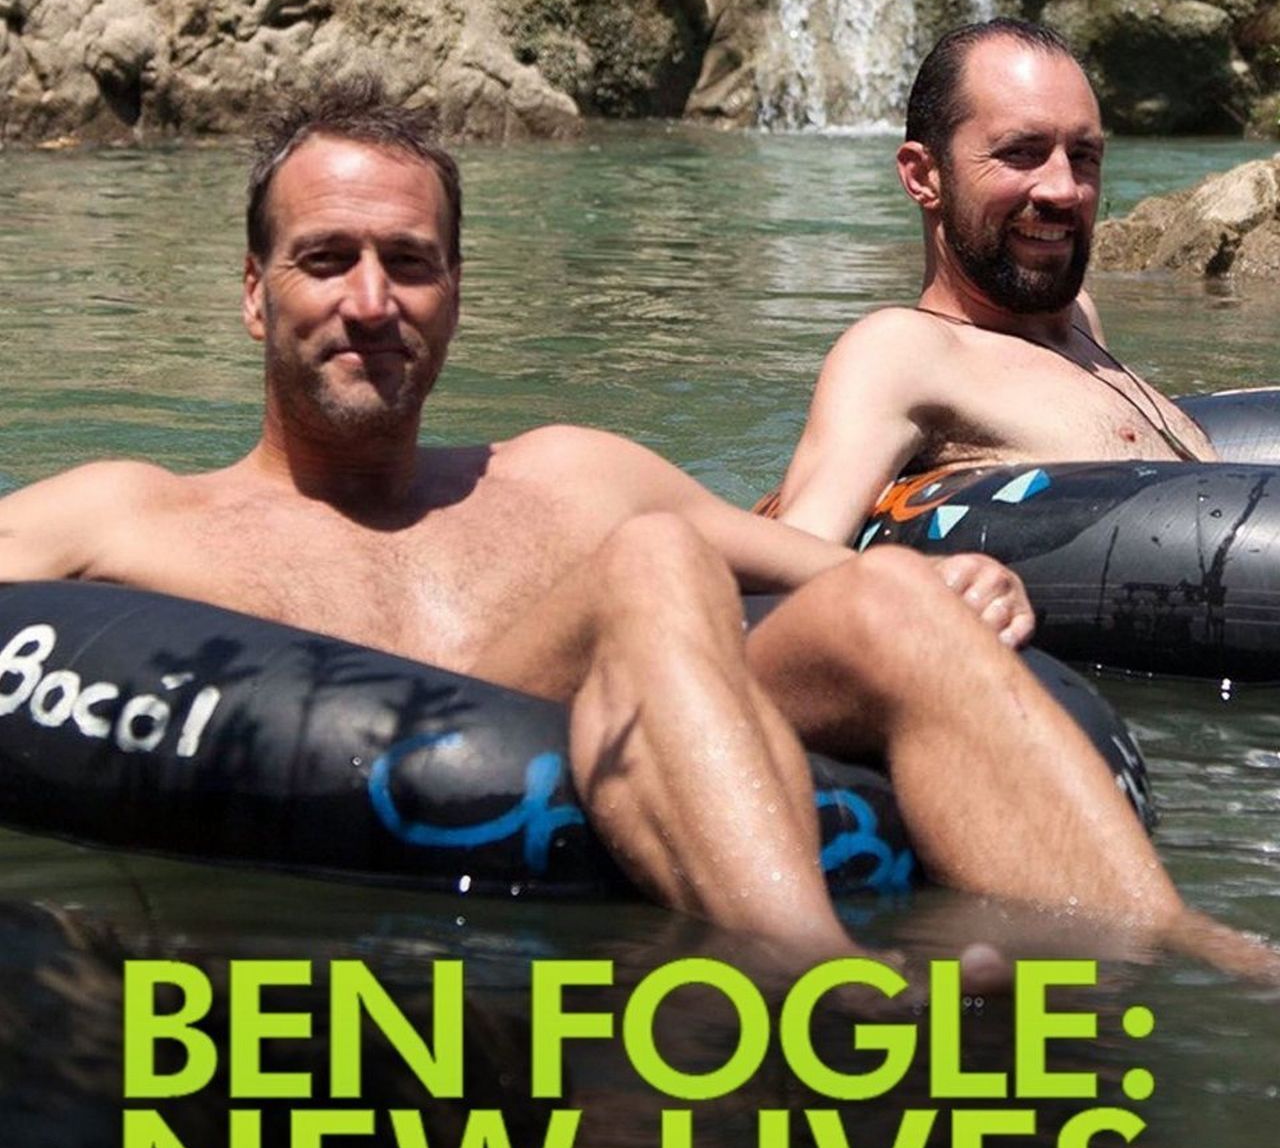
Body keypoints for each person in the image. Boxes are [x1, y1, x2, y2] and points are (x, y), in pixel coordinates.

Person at [0, 79, 1262, 977]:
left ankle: (1180, 940)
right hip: (345, 894)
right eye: (327, 259)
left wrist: (972, 585)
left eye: (412, 263)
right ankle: (812, 973)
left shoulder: (569, 472)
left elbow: (832, 574)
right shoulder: (126, 514)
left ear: (455, 293)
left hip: (601, 752)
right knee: (656, 557)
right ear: (253, 294)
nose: (372, 302)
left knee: (872, 596)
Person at [773, 18, 1216, 546]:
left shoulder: (1078, 319)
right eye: (1020, 153)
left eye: (1083, 157)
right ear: (923, 176)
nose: (1064, 189)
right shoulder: (903, 351)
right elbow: (796, 548)